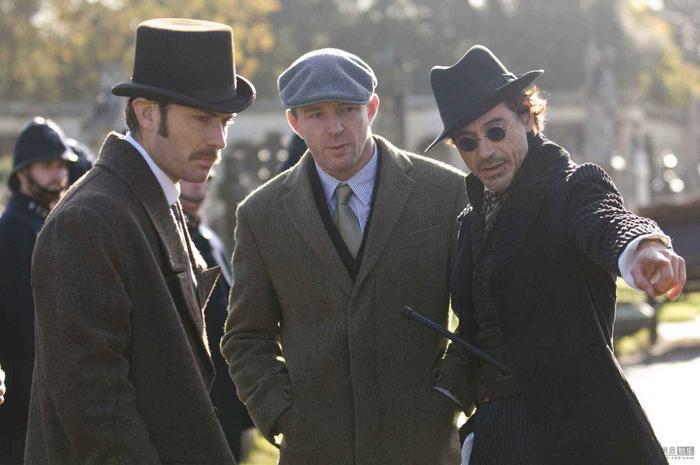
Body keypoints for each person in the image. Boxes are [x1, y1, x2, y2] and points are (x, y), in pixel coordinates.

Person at [427, 45, 686, 465]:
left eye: (496, 131)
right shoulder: (471, 223)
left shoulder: (570, 186)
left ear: (527, 117)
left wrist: (642, 247)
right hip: (498, 437)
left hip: (582, 435)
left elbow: (605, 219)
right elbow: (476, 333)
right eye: (468, 142)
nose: (485, 152)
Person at [222, 48, 469, 465]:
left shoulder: (445, 193)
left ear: (371, 109)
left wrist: (450, 396)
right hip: (314, 450)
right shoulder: (260, 215)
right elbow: (246, 336)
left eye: (347, 110)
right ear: (294, 122)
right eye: (316, 114)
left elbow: (481, 313)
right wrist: (282, 414)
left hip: (422, 447)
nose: (334, 128)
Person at [25, 18, 255, 464]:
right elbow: (96, 405)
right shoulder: (88, 220)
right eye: (202, 119)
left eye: (224, 121)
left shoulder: (152, 196)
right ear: (147, 113)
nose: (219, 139)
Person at [0, 117, 76, 463]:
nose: (57, 174)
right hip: (18, 396)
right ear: (22, 173)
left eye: (61, 165)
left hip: (54, 390)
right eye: (47, 165)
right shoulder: (9, 231)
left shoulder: (50, 224)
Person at [179, 179, 254, 461]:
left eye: (205, 179)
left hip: (226, 390)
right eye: (190, 180)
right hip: (196, 397)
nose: (198, 186)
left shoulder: (210, 237)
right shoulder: (169, 240)